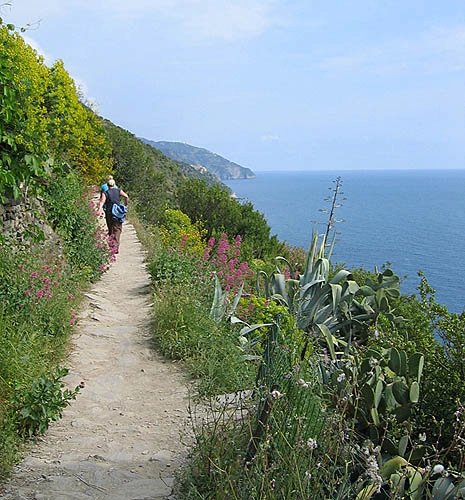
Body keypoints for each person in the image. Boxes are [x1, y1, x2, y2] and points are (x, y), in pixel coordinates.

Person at [98, 178, 129, 253]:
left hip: (109, 213)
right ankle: (116, 246)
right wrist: (126, 204)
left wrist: (99, 209)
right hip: (117, 212)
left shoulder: (105, 193)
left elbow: (102, 201)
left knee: (110, 228)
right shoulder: (118, 190)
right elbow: (126, 196)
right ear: (114, 185)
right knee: (117, 229)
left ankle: (112, 246)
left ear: (107, 185)